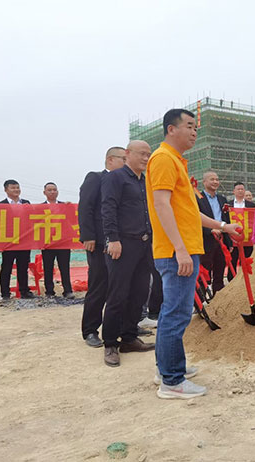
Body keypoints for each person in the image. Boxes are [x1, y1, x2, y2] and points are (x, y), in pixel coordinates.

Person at [146, 108, 239, 399]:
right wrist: (180, 249)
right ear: (171, 129)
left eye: (196, 127)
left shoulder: (176, 162)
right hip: (177, 252)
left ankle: (168, 368)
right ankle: (172, 381)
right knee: (176, 314)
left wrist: (222, 226)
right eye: (189, 126)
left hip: (183, 249)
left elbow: (189, 213)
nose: (194, 132)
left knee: (173, 313)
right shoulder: (163, 159)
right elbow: (161, 205)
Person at [100, 141, 155, 367]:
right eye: (142, 154)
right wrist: (113, 239)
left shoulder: (145, 181)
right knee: (118, 294)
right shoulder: (116, 178)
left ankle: (130, 337)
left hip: (144, 244)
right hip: (122, 244)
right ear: (128, 154)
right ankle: (110, 343)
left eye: (148, 154)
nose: (146, 158)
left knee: (140, 292)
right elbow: (108, 208)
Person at [78, 147, 126, 347]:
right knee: (99, 285)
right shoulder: (96, 178)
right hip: (98, 242)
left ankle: (122, 327)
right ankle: (90, 330)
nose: (126, 163)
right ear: (110, 160)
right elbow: (85, 207)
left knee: (121, 286)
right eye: (123, 159)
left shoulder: (126, 181)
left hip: (122, 242)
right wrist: (88, 236)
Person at [197, 170, 231, 295]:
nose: (215, 182)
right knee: (204, 271)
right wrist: (210, 230)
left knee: (220, 269)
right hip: (206, 240)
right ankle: (202, 298)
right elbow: (195, 219)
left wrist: (229, 242)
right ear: (204, 182)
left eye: (217, 179)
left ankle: (218, 297)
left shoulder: (222, 199)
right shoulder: (197, 198)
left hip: (221, 240)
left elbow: (227, 219)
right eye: (212, 179)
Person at [0, 180, 33, 300]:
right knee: (6, 268)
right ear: (6, 190)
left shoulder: (26, 203)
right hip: (8, 243)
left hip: (24, 242)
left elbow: (33, 219)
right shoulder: (0, 205)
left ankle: (24, 291)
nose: (16, 190)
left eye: (17, 187)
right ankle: (5, 293)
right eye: (13, 188)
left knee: (23, 267)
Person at [41, 182, 74, 299]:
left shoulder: (64, 206)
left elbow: (72, 220)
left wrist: (70, 207)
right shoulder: (39, 208)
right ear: (44, 192)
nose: (52, 192)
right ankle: (49, 291)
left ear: (58, 192)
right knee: (48, 268)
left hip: (63, 242)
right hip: (47, 243)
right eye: (49, 190)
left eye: (54, 190)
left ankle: (68, 290)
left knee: (64, 268)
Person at [227, 182, 255, 282]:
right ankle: (232, 281)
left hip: (247, 238)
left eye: (242, 189)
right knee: (233, 260)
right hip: (233, 239)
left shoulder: (251, 205)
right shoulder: (228, 205)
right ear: (234, 191)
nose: (240, 191)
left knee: (247, 260)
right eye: (238, 189)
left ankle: (247, 280)